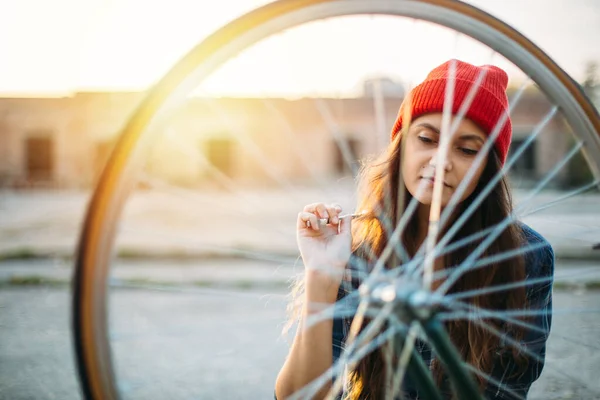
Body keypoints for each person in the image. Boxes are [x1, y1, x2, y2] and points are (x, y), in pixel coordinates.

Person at [274, 60, 554, 400]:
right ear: (401, 145)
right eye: (426, 139)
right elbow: (299, 397)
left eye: (466, 149)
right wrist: (322, 275)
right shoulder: (358, 248)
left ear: (487, 168)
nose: (441, 161)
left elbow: (507, 391)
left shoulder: (526, 256)